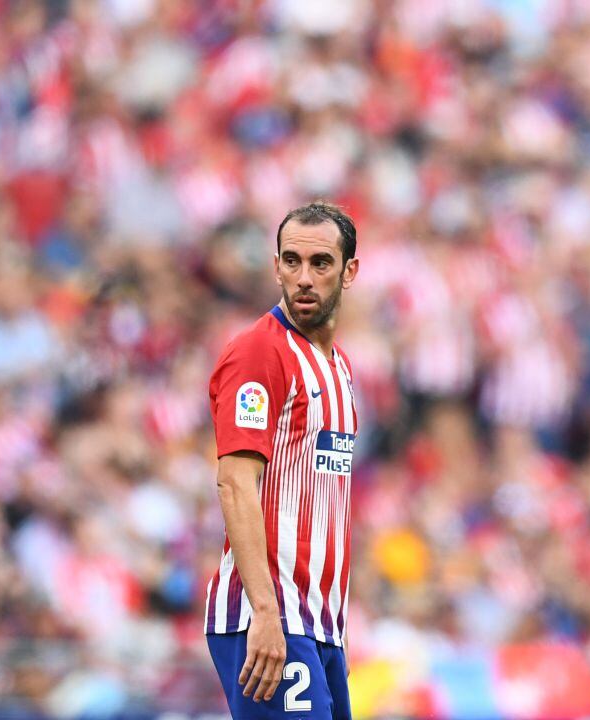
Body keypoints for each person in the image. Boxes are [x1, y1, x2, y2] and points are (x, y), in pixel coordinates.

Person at [205, 202, 360, 719]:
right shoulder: (260, 353)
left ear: (349, 272)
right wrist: (266, 611)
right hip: (270, 619)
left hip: (320, 622)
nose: (304, 278)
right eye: (291, 262)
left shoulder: (339, 370)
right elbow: (234, 483)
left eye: (320, 263)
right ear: (275, 267)